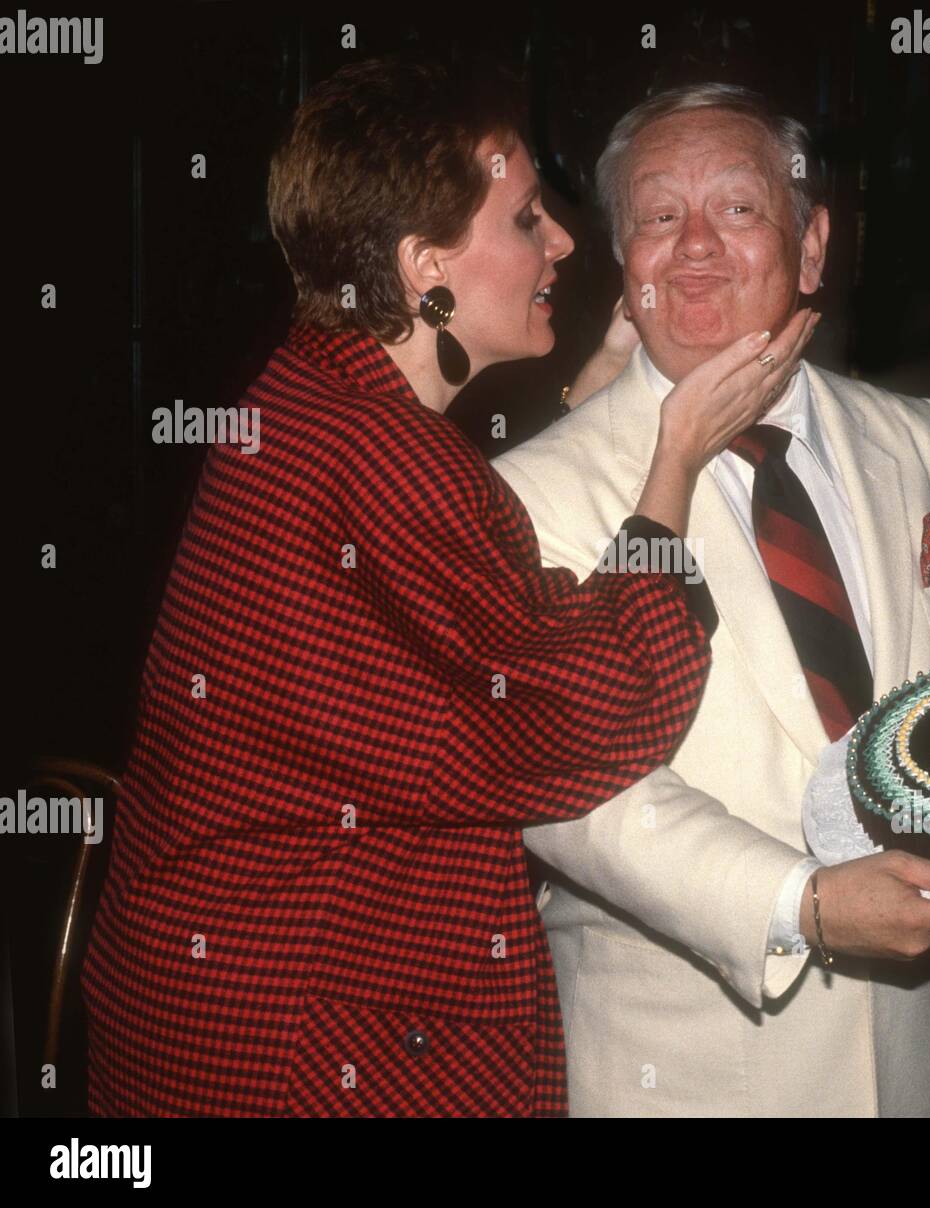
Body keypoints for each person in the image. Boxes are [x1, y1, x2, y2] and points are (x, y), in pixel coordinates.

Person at [80, 59, 813, 1118]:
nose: (564, 242)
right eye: (523, 221)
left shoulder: (309, 391)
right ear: (425, 265)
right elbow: (582, 718)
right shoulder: (381, 460)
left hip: (199, 996)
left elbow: (435, 617)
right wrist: (673, 463)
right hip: (299, 1039)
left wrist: (578, 400)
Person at [492, 82, 930, 1118]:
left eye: (738, 209)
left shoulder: (919, 436)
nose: (693, 246)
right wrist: (807, 904)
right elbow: (574, 790)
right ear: (622, 255)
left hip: (918, 1050)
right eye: (657, 217)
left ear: (812, 243)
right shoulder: (529, 492)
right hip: (685, 1073)